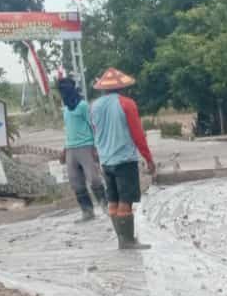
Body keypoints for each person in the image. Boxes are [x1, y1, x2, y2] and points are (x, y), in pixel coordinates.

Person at [90, 68, 155, 250]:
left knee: (113, 200)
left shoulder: (94, 106)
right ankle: (127, 241)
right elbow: (138, 134)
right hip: (124, 159)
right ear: (122, 88)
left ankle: (121, 239)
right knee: (125, 201)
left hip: (106, 161)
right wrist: (148, 158)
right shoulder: (127, 104)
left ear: (103, 89)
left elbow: (94, 132)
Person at [56, 76, 106, 222]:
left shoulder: (83, 106)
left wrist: (95, 147)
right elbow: (69, 131)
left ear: (70, 90)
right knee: (75, 181)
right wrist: (64, 150)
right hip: (71, 149)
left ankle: (106, 206)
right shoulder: (65, 109)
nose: (62, 94)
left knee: (94, 178)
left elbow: (93, 126)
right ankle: (87, 211)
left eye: (64, 90)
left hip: (86, 146)